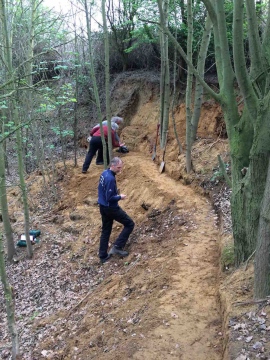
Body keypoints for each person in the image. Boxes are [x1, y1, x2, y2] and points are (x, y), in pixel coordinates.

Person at [98, 157, 135, 264]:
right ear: (112, 166)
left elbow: (100, 190)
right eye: (118, 167)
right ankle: (117, 247)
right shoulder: (110, 179)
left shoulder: (104, 173)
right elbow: (110, 197)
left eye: (121, 167)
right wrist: (120, 197)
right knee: (130, 224)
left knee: (106, 230)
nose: (120, 170)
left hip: (102, 206)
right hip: (111, 207)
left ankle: (103, 256)